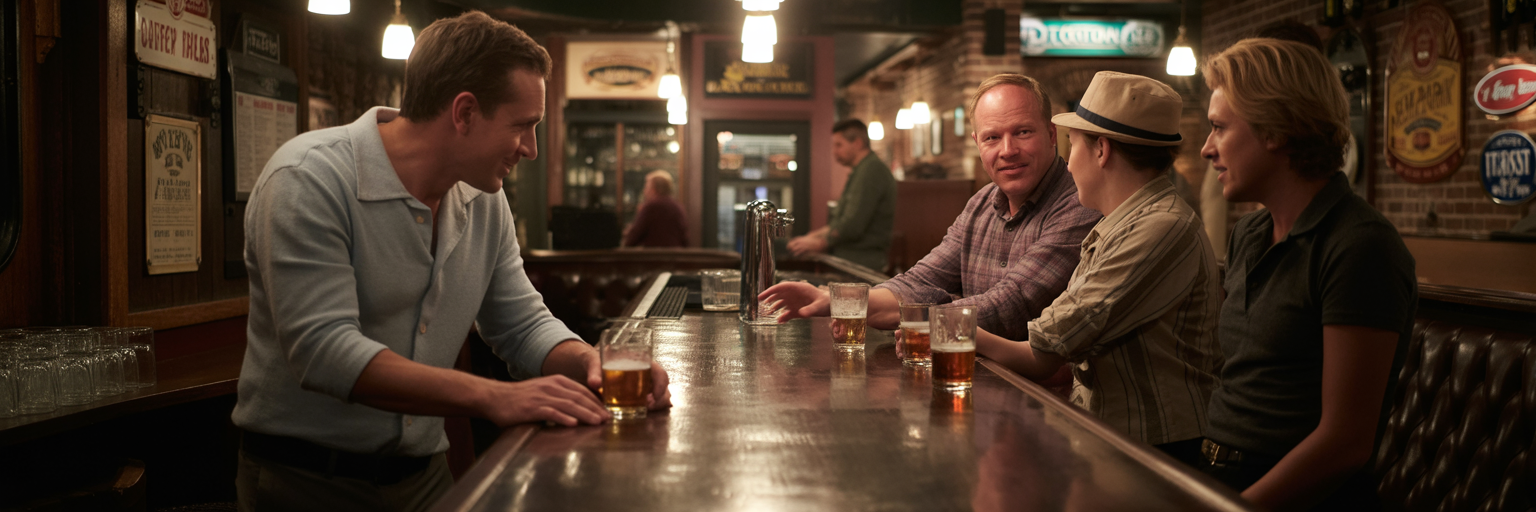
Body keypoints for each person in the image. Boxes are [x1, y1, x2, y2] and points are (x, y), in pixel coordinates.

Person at [235, 12, 671, 512]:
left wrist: (589, 362)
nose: (531, 149)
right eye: (523, 126)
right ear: (464, 113)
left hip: (425, 478)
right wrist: (493, 396)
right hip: (308, 483)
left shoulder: (485, 198)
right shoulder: (308, 178)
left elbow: (521, 323)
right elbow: (323, 351)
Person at [1198, 38, 1415, 511]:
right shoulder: (1249, 233)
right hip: (1213, 477)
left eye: (1219, 128)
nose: (1205, 149)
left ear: (1276, 130)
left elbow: (1345, 442)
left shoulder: (1361, 245)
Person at [971, 72, 1223, 459]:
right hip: (1112, 440)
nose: (1069, 165)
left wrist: (951, 330)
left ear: (1101, 150)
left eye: (1072, 145)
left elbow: (1043, 351)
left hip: (1157, 454)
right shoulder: (1121, 222)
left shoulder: (1159, 227)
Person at [762, 74, 1101, 344]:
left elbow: (1013, 303)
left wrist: (921, 319)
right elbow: (922, 279)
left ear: (1052, 135)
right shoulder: (981, 203)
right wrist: (839, 302)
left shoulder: (1080, 202)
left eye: (1023, 132)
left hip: (1042, 396)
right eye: (992, 137)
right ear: (977, 144)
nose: (1007, 150)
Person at [786, 119, 896, 271]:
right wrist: (812, 236)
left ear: (857, 143)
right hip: (852, 261)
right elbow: (840, 222)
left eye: (839, 145)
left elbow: (852, 225)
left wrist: (820, 243)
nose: (834, 151)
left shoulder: (871, 170)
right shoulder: (862, 169)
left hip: (862, 263)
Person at [622, 170, 688, 247]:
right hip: (675, 253)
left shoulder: (650, 207)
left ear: (653, 190)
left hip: (654, 253)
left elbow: (633, 238)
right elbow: (685, 239)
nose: (644, 191)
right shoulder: (677, 207)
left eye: (646, 187)